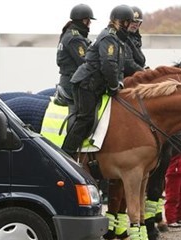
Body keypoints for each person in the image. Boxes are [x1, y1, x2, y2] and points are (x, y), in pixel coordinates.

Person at [61, 5, 135, 157]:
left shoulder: (117, 40)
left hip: (95, 84)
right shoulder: (109, 37)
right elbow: (108, 64)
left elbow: (119, 67)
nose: (129, 26)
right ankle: (66, 156)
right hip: (86, 84)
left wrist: (119, 82)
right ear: (122, 22)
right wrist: (114, 85)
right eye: (128, 22)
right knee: (86, 118)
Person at [54, 3, 95, 106]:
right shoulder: (75, 38)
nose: (89, 24)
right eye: (88, 21)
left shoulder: (72, 34)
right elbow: (85, 62)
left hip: (71, 81)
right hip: (72, 85)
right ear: (84, 21)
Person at [124, 6, 147, 76]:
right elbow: (128, 63)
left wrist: (145, 68)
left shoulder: (135, 38)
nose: (135, 24)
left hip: (136, 72)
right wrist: (144, 72)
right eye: (133, 21)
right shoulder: (121, 37)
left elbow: (140, 60)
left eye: (138, 22)